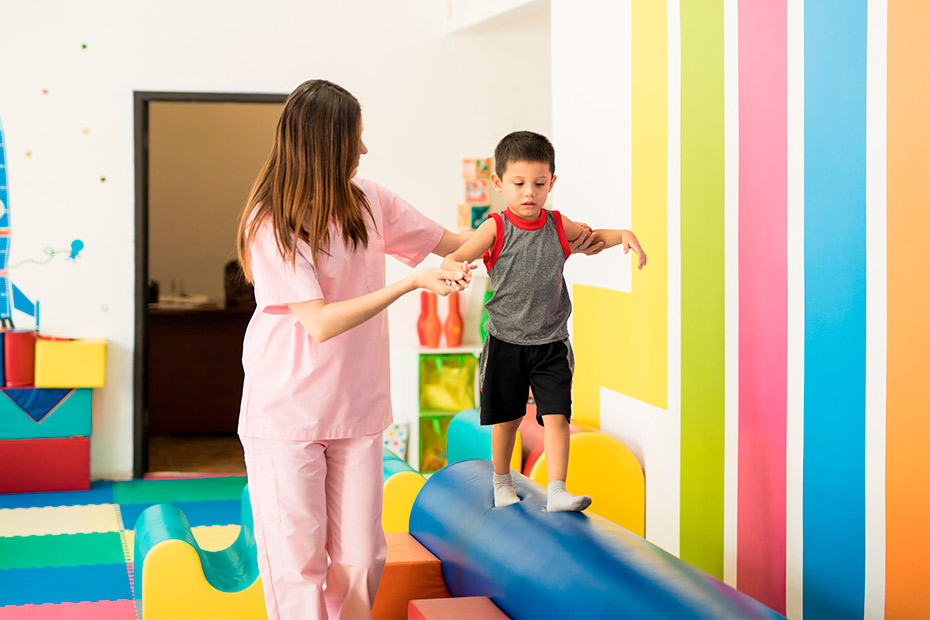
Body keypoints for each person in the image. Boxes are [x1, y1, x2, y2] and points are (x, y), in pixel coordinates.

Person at [235, 79, 472, 620]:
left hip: (356, 408)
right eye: (355, 140)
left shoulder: (371, 201)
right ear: (326, 144)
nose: (364, 151)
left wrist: (533, 228)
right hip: (286, 414)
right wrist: (410, 284)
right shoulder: (271, 221)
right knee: (298, 568)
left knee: (363, 560)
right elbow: (318, 322)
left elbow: (453, 244)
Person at [440, 130, 647, 512]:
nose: (529, 193)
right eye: (518, 184)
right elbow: (462, 253)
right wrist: (451, 267)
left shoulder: (556, 225)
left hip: (550, 342)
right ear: (499, 183)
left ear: (552, 182)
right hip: (506, 341)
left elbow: (592, 240)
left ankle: (557, 490)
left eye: (539, 183)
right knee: (508, 419)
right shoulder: (495, 227)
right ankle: (502, 481)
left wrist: (623, 235)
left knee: (557, 416)